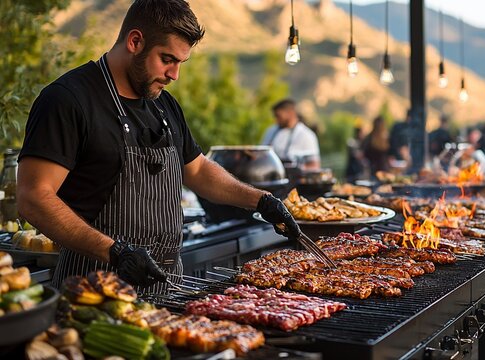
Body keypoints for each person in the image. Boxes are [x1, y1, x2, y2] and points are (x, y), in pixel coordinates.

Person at [16, 0, 301, 293]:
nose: (174, 74)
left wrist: (262, 201)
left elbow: (199, 170)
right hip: (96, 291)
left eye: (180, 63)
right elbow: (33, 198)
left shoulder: (163, 105)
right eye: (167, 59)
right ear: (135, 41)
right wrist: (117, 252)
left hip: (167, 291)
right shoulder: (68, 99)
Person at [261, 99, 321, 170]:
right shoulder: (270, 131)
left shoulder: (306, 135)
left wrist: (296, 169)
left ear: (290, 113)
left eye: (278, 116)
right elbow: (262, 155)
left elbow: (314, 166)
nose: (276, 120)